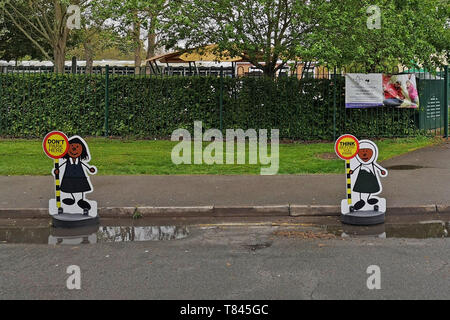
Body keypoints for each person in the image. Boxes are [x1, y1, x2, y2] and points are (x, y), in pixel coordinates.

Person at [53, 137, 97, 212]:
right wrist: (57, 170)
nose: (74, 149)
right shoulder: (67, 161)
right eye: (72, 147)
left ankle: (81, 200)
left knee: (81, 187)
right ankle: (72, 199)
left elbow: (85, 165)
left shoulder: (80, 161)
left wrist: (90, 169)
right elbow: (60, 166)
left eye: (77, 147)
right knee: (69, 186)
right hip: (68, 176)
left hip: (80, 176)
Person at [349, 140, 387, 211]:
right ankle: (361, 200)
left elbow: (376, 165)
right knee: (361, 187)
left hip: (371, 175)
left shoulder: (372, 163)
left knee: (371, 187)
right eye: (362, 152)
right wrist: (352, 171)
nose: (364, 155)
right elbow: (357, 166)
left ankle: (368, 199)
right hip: (362, 174)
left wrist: (381, 171)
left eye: (367, 152)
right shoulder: (361, 164)